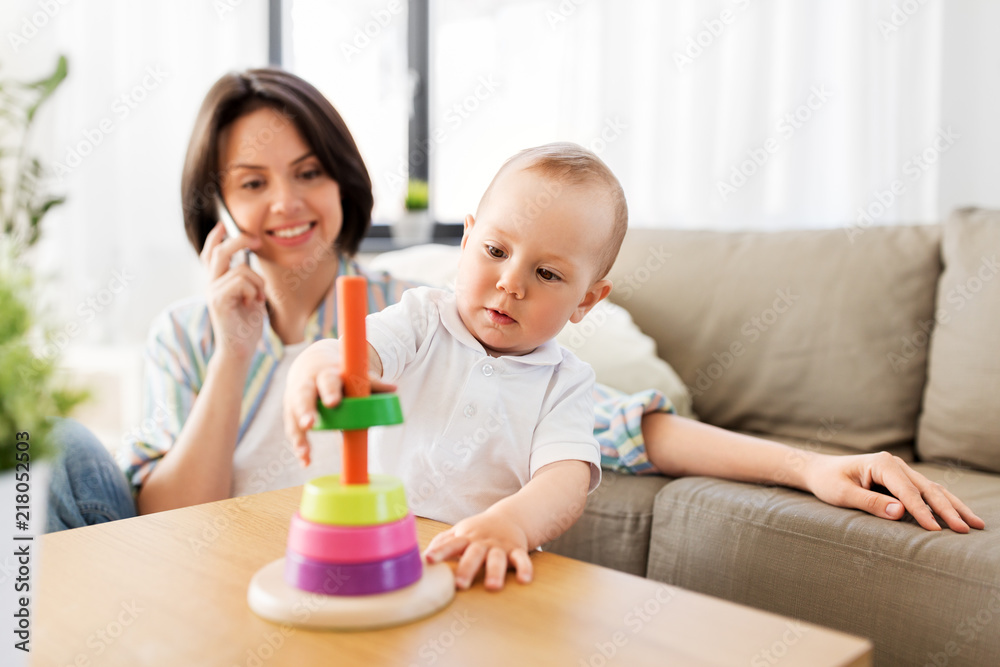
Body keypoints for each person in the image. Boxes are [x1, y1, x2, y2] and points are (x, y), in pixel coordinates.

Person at [48, 67, 982, 572]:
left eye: (309, 172)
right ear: (216, 201)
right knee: (28, 449)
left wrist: (811, 462)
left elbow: (616, 434)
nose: (286, 203)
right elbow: (163, 516)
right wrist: (260, 354)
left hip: (366, 562)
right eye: (251, 182)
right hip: (192, 546)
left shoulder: (407, 302)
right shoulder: (219, 327)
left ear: (343, 178)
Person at [284, 142, 625, 591]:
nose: (510, 283)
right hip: (383, 547)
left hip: (483, 566)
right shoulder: (422, 319)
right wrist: (318, 366)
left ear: (585, 300)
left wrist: (513, 526)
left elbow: (564, 480)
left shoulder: (566, 383)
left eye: (547, 274)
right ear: (466, 242)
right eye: (495, 250)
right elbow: (356, 353)